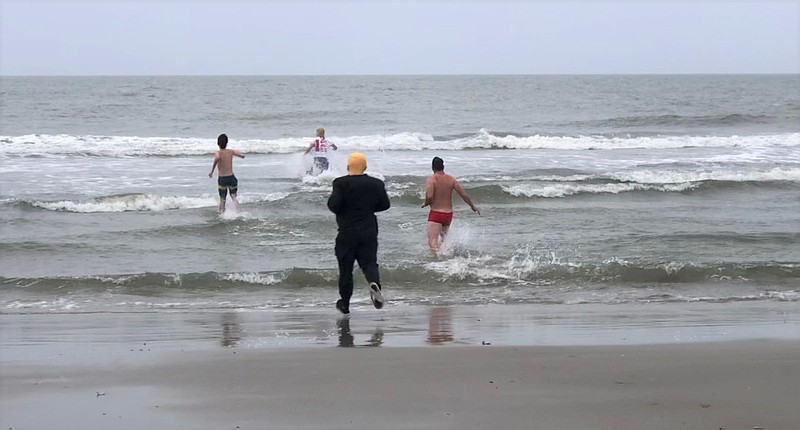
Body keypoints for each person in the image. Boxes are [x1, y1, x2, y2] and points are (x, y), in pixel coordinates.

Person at [327, 152, 391, 314]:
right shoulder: (376, 184)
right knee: (369, 263)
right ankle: (374, 283)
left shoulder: (340, 183)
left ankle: (345, 304)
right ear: (365, 167)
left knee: (346, 270)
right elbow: (385, 204)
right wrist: (368, 208)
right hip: (368, 231)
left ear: (348, 166)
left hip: (346, 233)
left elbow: (334, 206)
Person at [421, 156, 480, 254]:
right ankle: (445, 258)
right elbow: (463, 194)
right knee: (443, 242)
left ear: (432, 167)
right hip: (448, 215)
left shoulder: (432, 179)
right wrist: (472, 206)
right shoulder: (451, 179)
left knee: (432, 242)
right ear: (443, 166)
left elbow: (430, 196)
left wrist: (425, 203)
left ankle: (438, 263)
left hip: (436, 214)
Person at [208, 133, 245, 213]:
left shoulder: (218, 152)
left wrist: (212, 171)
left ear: (218, 143)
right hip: (231, 178)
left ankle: (222, 215)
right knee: (233, 197)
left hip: (222, 179)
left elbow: (217, 157)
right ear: (227, 143)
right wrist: (241, 155)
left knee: (222, 200)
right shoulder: (230, 151)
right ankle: (237, 212)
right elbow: (241, 155)